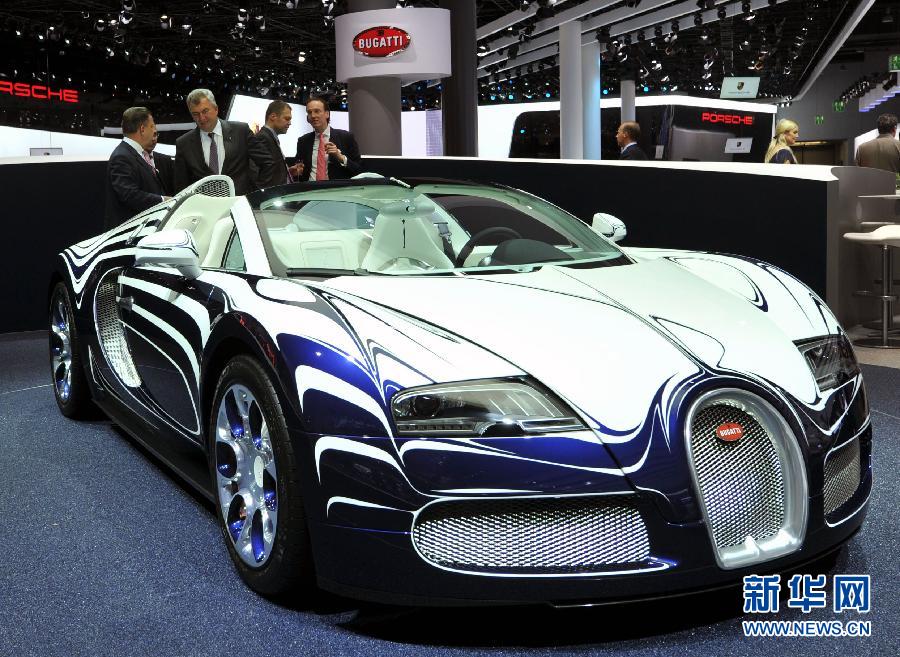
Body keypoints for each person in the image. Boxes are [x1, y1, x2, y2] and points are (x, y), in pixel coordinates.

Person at [174, 88, 272, 194]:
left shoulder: (240, 131)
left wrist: (257, 192)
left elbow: (267, 162)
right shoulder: (183, 143)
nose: (201, 118)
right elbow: (181, 186)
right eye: (195, 114)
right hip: (206, 203)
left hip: (240, 201)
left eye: (205, 111)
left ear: (216, 109)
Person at [104, 107, 169, 230]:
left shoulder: (137, 153)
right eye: (152, 126)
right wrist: (163, 200)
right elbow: (129, 195)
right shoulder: (122, 156)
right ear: (142, 129)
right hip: (128, 233)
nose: (154, 130)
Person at [294, 97, 362, 181]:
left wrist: (340, 157)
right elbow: (299, 168)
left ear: (327, 114)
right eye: (309, 112)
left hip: (336, 188)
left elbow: (358, 170)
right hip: (310, 188)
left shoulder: (346, 137)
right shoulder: (303, 141)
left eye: (317, 111)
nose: (313, 115)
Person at [251, 99, 303, 188]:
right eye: (287, 119)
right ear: (273, 116)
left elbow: (268, 170)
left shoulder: (269, 137)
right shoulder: (262, 138)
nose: (290, 123)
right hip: (272, 194)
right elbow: (256, 175)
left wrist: (287, 172)